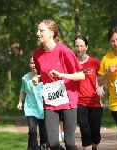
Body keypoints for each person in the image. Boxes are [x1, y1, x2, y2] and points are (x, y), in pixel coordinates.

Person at [32, 19, 85, 150]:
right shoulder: (37, 54)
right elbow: (43, 75)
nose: (38, 33)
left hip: (68, 100)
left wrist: (61, 75)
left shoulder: (64, 51)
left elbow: (81, 75)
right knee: (52, 143)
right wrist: (37, 79)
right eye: (37, 30)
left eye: (41, 30)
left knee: (69, 143)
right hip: (50, 101)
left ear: (51, 33)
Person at [74, 35, 104, 150]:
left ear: (86, 47)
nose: (79, 48)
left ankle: (94, 147)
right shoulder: (72, 62)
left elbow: (101, 79)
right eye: (77, 46)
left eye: (81, 46)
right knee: (85, 130)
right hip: (79, 101)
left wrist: (100, 87)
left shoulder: (94, 62)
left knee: (95, 133)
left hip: (95, 101)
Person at [17, 54, 48, 150]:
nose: (34, 64)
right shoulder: (25, 78)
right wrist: (20, 102)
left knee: (43, 131)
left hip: (43, 108)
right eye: (32, 63)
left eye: (36, 62)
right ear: (29, 64)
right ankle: (32, 148)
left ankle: (44, 147)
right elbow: (22, 90)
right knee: (32, 130)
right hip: (30, 108)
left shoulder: (44, 77)